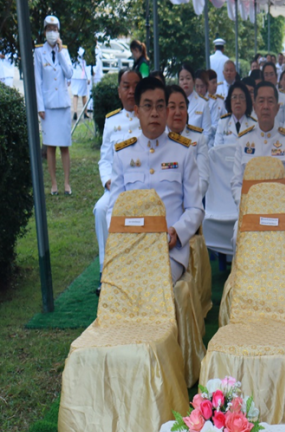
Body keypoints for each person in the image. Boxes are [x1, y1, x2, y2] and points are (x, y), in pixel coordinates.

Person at [107, 76, 203, 283]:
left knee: (152, 282)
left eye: (160, 106)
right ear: (137, 111)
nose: (154, 113)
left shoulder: (183, 152)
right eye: (148, 106)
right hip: (130, 248)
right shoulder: (123, 154)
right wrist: (121, 238)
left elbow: (195, 208)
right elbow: (113, 208)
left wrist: (177, 232)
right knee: (118, 285)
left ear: (167, 112)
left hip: (169, 250)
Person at [93, 69, 141, 275]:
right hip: (116, 187)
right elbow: (104, 159)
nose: (131, 91)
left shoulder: (149, 118)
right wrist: (108, 182)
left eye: (135, 86)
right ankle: (107, 269)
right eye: (126, 86)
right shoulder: (111, 121)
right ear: (119, 91)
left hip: (141, 184)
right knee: (101, 209)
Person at [230, 81, 285, 208]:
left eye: (270, 101)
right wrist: (250, 205)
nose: (265, 106)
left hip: (282, 212)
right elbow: (236, 184)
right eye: (261, 101)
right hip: (249, 211)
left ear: (277, 108)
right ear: (254, 107)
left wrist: (279, 206)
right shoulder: (243, 141)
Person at [34, 15, 73, 196]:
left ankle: (66, 182)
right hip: (48, 107)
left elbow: (69, 73)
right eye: (49, 29)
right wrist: (40, 106)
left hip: (63, 105)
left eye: (54, 29)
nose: (52, 32)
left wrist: (60, 51)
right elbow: (37, 81)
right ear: (44, 31)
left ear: (58, 31)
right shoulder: (38, 52)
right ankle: (54, 183)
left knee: (64, 145)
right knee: (50, 146)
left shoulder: (63, 50)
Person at [166, 84, 210, 198]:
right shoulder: (158, 139)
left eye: (182, 107)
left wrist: (188, 203)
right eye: (172, 107)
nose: (177, 112)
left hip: (192, 205)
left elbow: (203, 179)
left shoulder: (198, 138)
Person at [178, 62, 213, 145]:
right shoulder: (173, 103)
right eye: (182, 79)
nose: (185, 82)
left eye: (188, 78)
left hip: (196, 149)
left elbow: (207, 133)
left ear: (193, 81)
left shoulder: (203, 104)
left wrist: (193, 147)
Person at [214, 80, 255, 146]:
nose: (238, 101)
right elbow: (216, 150)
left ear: (247, 101)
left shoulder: (254, 124)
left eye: (241, 97)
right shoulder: (223, 123)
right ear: (229, 101)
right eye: (234, 97)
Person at [71, 47, 91, 120]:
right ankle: (85, 112)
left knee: (75, 94)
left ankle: (75, 111)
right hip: (82, 76)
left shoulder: (73, 50)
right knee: (83, 95)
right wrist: (88, 77)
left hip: (74, 75)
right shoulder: (84, 51)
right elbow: (87, 65)